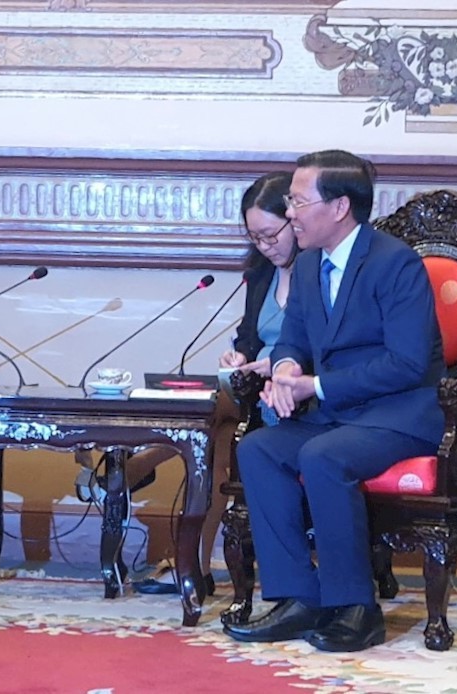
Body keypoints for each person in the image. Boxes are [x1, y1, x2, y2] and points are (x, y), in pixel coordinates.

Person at [223, 150, 445, 652]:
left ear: (339, 206)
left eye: (298, 201)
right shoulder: (307, 267)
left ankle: (355, 608)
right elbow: (293, 340)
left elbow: (408, 364)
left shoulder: (396, 264)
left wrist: (315, 387)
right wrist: (284, 370)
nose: (292, 212)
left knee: (322, 456)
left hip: (398, 416)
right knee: (258, 450)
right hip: (336, 417)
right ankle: (299, 598)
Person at [76, 171, 298, 594]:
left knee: (216, 429)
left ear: (294, 220)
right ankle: (192, 565)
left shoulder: (318, 274)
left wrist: (277, 364)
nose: (265, 246)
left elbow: (318, 344)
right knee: (216, 431)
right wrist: (241, 357)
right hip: (254, 394)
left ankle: (133, 469)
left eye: (271, 235)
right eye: (255, 237)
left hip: (292, 397)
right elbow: (248, 338)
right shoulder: (262, 276)